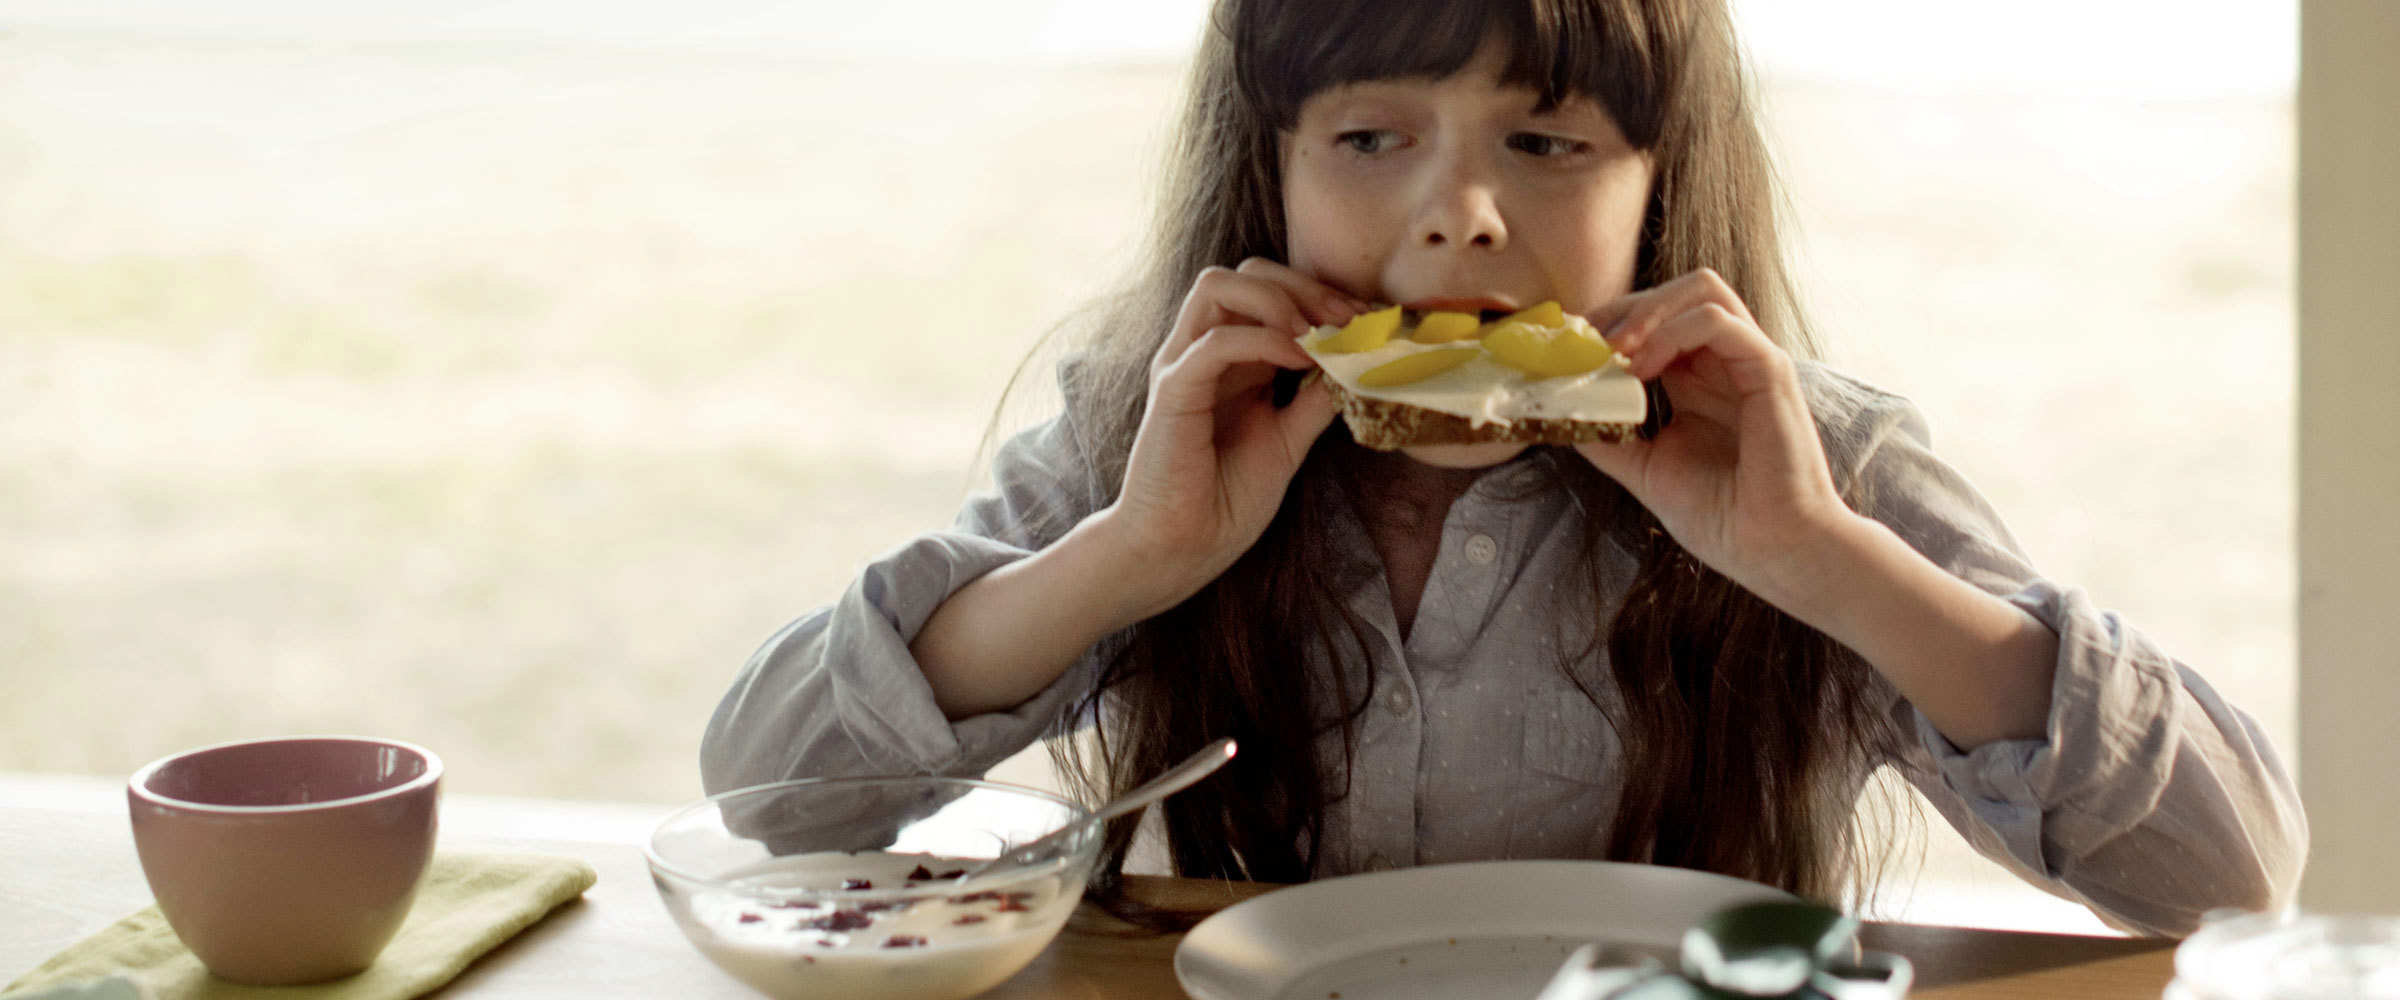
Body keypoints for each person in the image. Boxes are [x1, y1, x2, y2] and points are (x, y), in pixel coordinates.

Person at [701, 0, 2304, 936]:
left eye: (1546, 145)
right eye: (1371, 138)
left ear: (1661, 188)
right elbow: (771, 798)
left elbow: (2233, 877)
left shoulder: (1804, 456)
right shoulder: (1165, 428)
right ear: (1265, 173)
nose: (1463, 214)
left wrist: (1826, 562)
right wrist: (1128, 556)